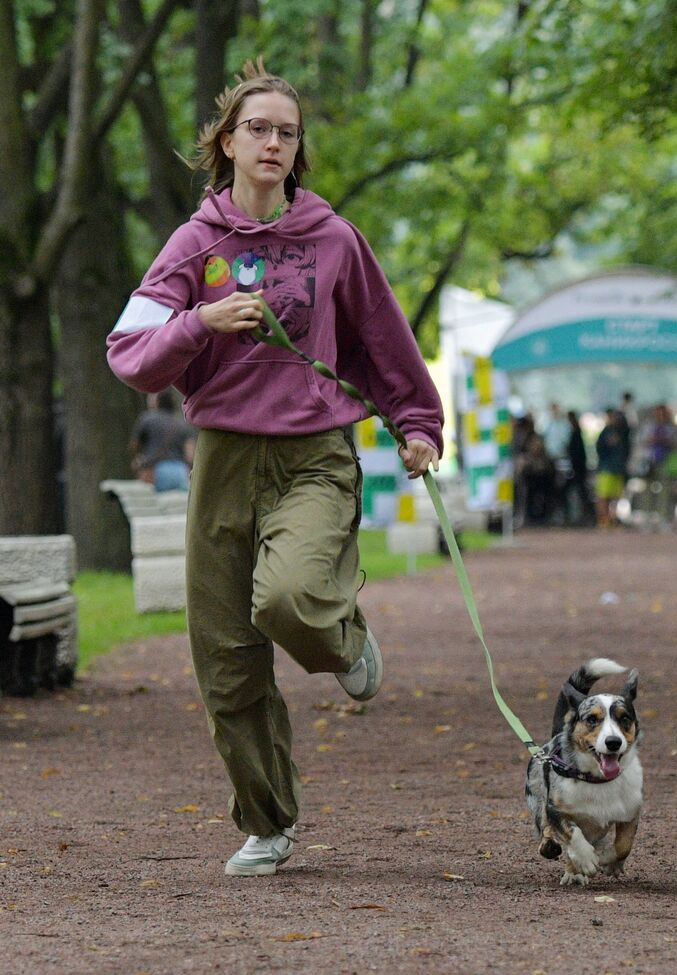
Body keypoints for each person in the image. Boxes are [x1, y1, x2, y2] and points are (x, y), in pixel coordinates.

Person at [106, 60, 443, 878]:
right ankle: (268, 818)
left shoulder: (333, 239)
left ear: (298, 153)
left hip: (312, 455)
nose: (272, 142)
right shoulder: (194, 245)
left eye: (286, 133)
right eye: (257, 128)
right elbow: (129, 354)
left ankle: (346, 641)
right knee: (224, 656)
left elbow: (385, 338)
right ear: (227, 142)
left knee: (289, 596)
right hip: (221, 458)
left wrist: (417, 423)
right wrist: (200, 321)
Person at [130, 389, 194, 491]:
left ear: (156, 401)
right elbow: (190, 456)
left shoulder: (146, 419)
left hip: (154, 472)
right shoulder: (182, 423)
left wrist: (139, 460)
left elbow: (134, 445)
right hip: (180, 472)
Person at [593, 407, 628, 527]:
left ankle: (612, 518)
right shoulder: (606, 432)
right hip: (606, 468)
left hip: (616, 468)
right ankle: (603, 519)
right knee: (603, 495)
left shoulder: (620, 431)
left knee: (615, 495)